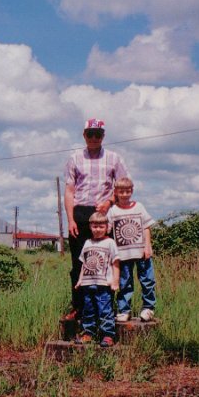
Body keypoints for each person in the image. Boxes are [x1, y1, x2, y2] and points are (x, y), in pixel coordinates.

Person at [64, 118, 129, 320]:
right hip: (80, 213)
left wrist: (110, 202)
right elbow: (69, 190)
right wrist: (70, 220)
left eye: (97, 135)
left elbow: (123, 187)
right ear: (84, 135)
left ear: (103, 136)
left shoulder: (114, 158)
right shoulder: (74, 158)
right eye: (90, 134)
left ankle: (109, 309)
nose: (93, 138)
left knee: (108, 260)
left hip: (103, 214)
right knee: (79, 263)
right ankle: (79, 308)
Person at [107, 177, 157, 322]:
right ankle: (124, 310)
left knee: (147, 280)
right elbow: (107, 230)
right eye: (121, 191)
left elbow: (146, 227)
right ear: (116, 192)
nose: (124, 194)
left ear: (132, 191)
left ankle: (149, 308)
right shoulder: (113, 211)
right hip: (122, 254)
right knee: (124, 282)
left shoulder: (139, 206)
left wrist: (148, 246)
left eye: (127, 191)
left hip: (141, 252)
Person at [74, 212, 120, 347]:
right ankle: (88, 333)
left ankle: (108, 335)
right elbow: (85, 263)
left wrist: (115, 281)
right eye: (95, 226)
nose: (98, 229)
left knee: (105, 310)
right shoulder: (87, 243)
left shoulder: (110, 242)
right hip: (88, 284)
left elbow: (116, 263)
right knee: (88, 310)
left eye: (101, 226)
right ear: (90, 227)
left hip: (103, 284)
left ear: (107, 227)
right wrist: (80, 280)